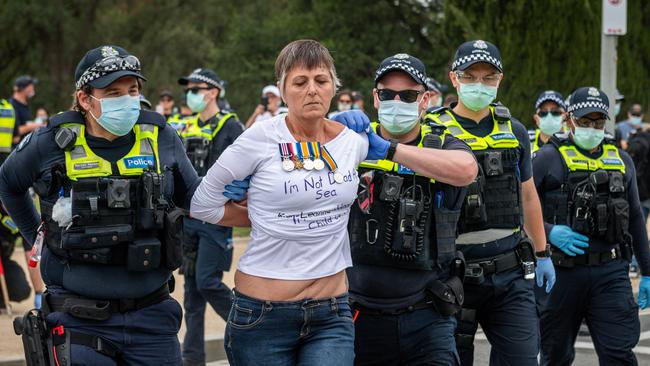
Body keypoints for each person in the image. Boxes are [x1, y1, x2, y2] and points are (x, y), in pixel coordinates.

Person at [0, 45, 199, 364]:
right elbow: (8, 183)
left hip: (153, 318)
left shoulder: (161, 136)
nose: (126, 99)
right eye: (112, 92)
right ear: (84, 98)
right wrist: (38, 233)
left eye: (132, 90)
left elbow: (197, 198)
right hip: (78, 319)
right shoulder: (50, 140)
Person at [190, 39, 368, 366]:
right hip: (263, 315)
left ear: (333, 86)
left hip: (332, 312)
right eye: (300, 82)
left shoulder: (353, 143)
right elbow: (202, 203)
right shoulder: (259, 138)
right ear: (282, 90)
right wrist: (260, 215)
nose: (312, 90)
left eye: (321, 81)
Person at [330, 53, 478, 365]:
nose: (396, 102)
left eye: (408, 95)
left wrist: (392, 151)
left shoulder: (440, 144)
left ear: (424, 100)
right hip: (358, 314)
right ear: (375, 98)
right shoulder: (352, 142)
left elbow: (466, 169)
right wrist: (328, 132)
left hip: (426, 316)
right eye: (387, 94)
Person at [424, 40, 555, 366]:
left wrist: (543, 253)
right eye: (470, 76)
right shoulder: (432, 130)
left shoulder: (516, 130)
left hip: (509, 273)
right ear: (454, 78)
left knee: (523, 360)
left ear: (500, 79)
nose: (479, 85)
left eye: (488, 77)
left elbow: (528, 195)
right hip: (450, 275)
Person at [533, 86, 650, 365]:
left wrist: (647, 272)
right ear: (569, 119)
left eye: (598, 121)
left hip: (610, 272)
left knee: (618, 353)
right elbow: (521, 209)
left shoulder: (621, 161)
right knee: (555, 355)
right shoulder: (547, 158)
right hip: (560, 272)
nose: (592, 127)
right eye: (585, 121)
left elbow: (634, 216)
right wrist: (549, 233)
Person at [176, 67, 244, 366]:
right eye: (188, 88)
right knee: (191, 296)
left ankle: (249, 328)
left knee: (207, 281)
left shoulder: (231, 125)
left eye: (196, 88)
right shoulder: (185, 125)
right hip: (188, 217)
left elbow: (246, 167)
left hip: (217, 218)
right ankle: (192, 359)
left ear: (213, 92)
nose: (190, 93)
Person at [9, 75, 39, 145]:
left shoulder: (26, 105)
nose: (33, 89)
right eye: (31, 86)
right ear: (23, 88)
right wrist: (35, 125)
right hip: (14, 150)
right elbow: (15, 131)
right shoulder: (11, 105)